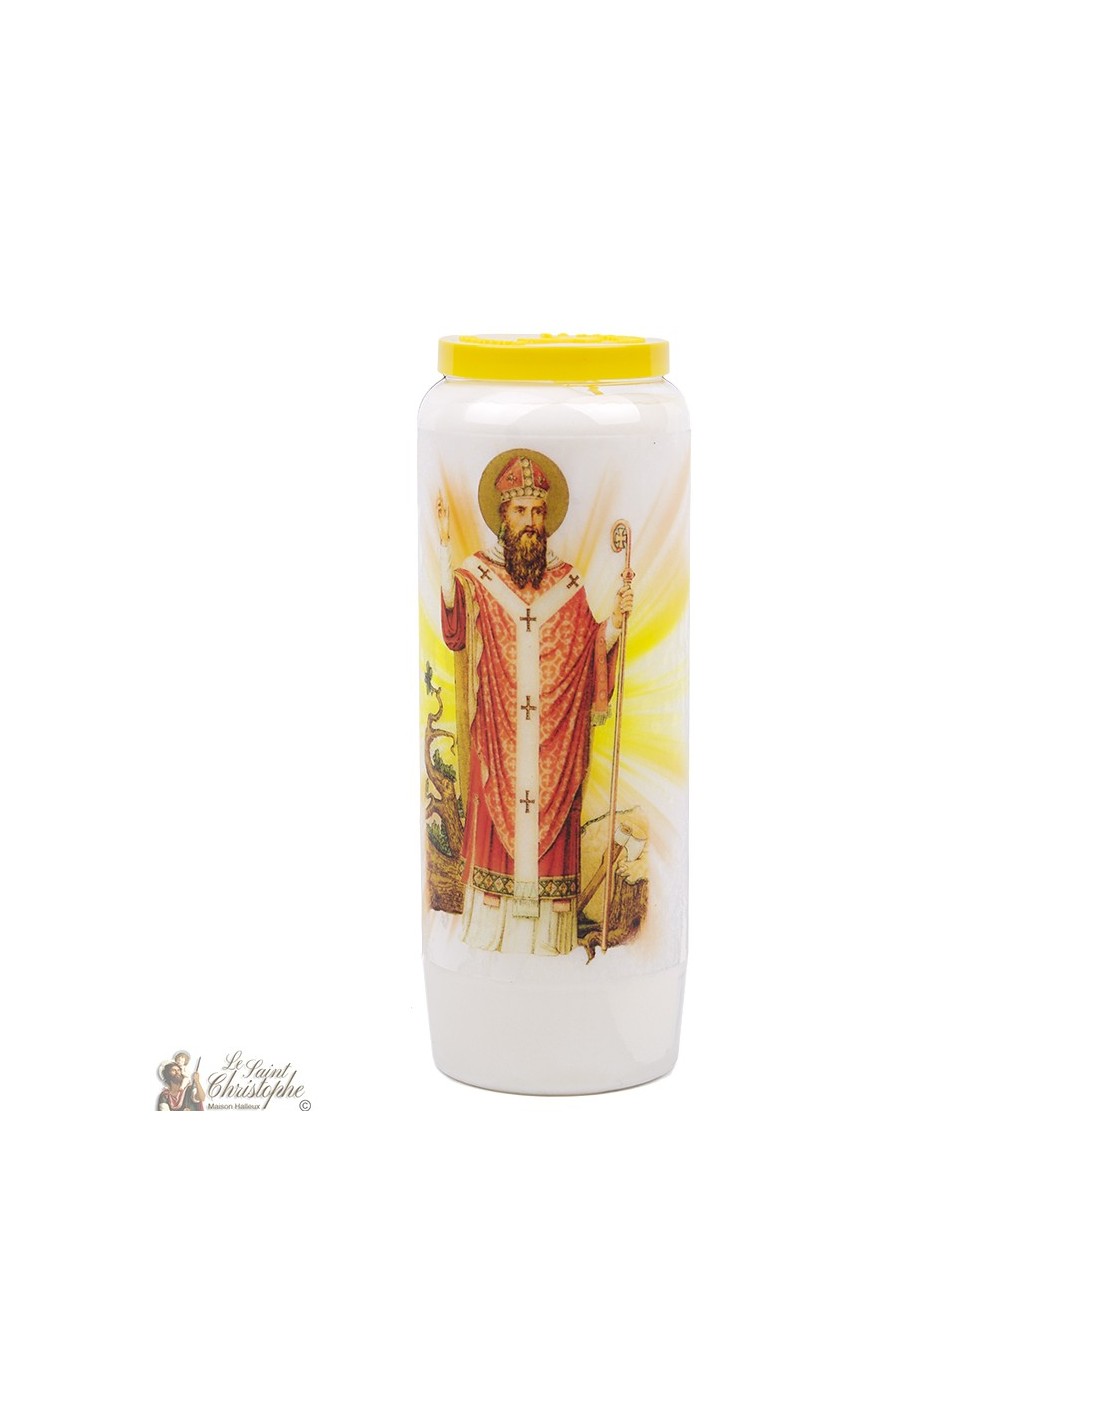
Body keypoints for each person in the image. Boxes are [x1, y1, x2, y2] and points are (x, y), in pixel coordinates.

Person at [437, 453, 632, 954]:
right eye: (521, 511)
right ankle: (490, 935)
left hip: (553, 746)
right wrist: (441, 552)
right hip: (499, 738)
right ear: (503, 515)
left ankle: (549, 941)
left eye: (539, 512)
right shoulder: (479, 576)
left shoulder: (567, 584)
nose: (531, 522)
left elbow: (586, 648)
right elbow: (456, 629)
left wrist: (614, 622)